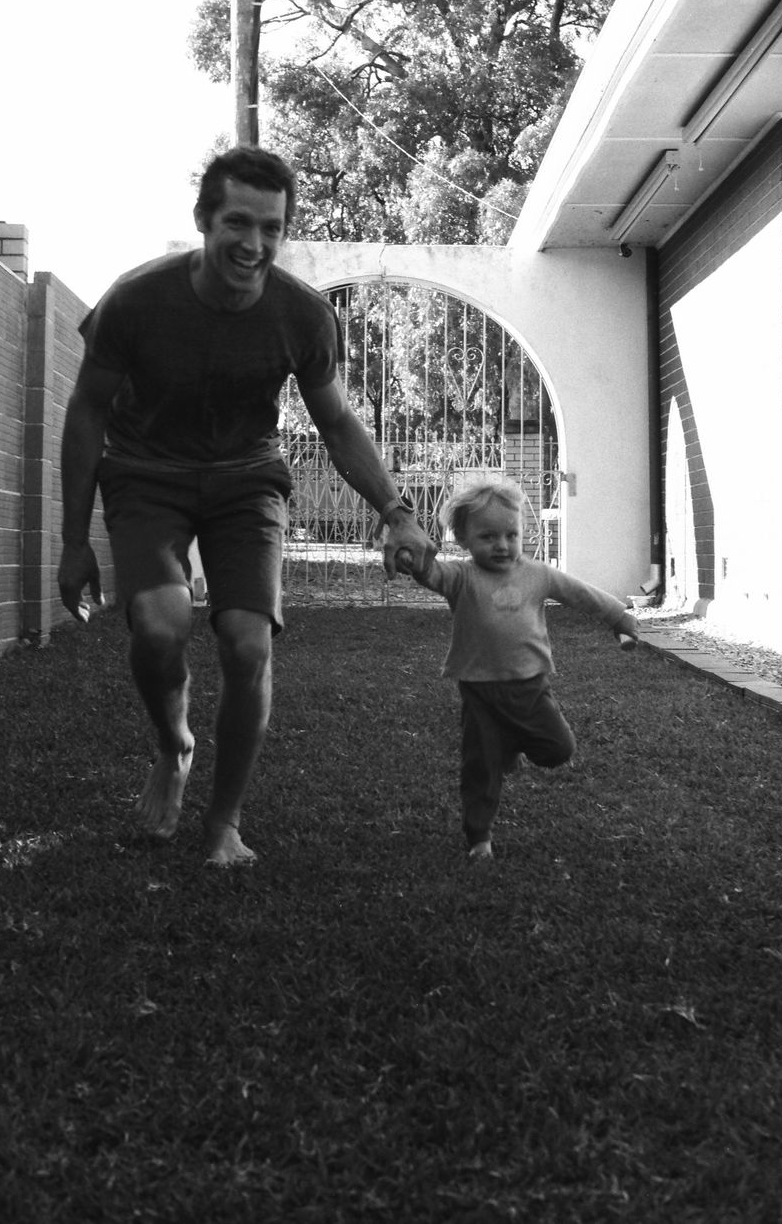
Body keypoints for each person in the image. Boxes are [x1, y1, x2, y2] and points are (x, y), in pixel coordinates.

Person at [57, 145, 435, 868]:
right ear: (205, 220)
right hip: (145, 474)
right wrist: (74, 539)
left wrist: (397, 510)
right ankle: (174, 750)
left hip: (247, 481)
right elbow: (86, 412)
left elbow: (336, 423)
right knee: (160, 625)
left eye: (271, 227)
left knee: (247, 642)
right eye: (238, 222)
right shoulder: (135, 300)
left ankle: (223, 824)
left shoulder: (303, 316)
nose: (254, 244)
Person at [403, 477, 639, 862]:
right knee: (481, 767)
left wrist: (618, 617)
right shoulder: (462, 577)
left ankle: (512, 743)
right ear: (463, 538)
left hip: (530, 686)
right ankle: (479, 837)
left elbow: (580, 593)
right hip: (479, 691)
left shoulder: (538, 574)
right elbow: (431, 575)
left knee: (558, 749)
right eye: (488, 536)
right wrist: (414, 561)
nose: (501, 544)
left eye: (511, 534)